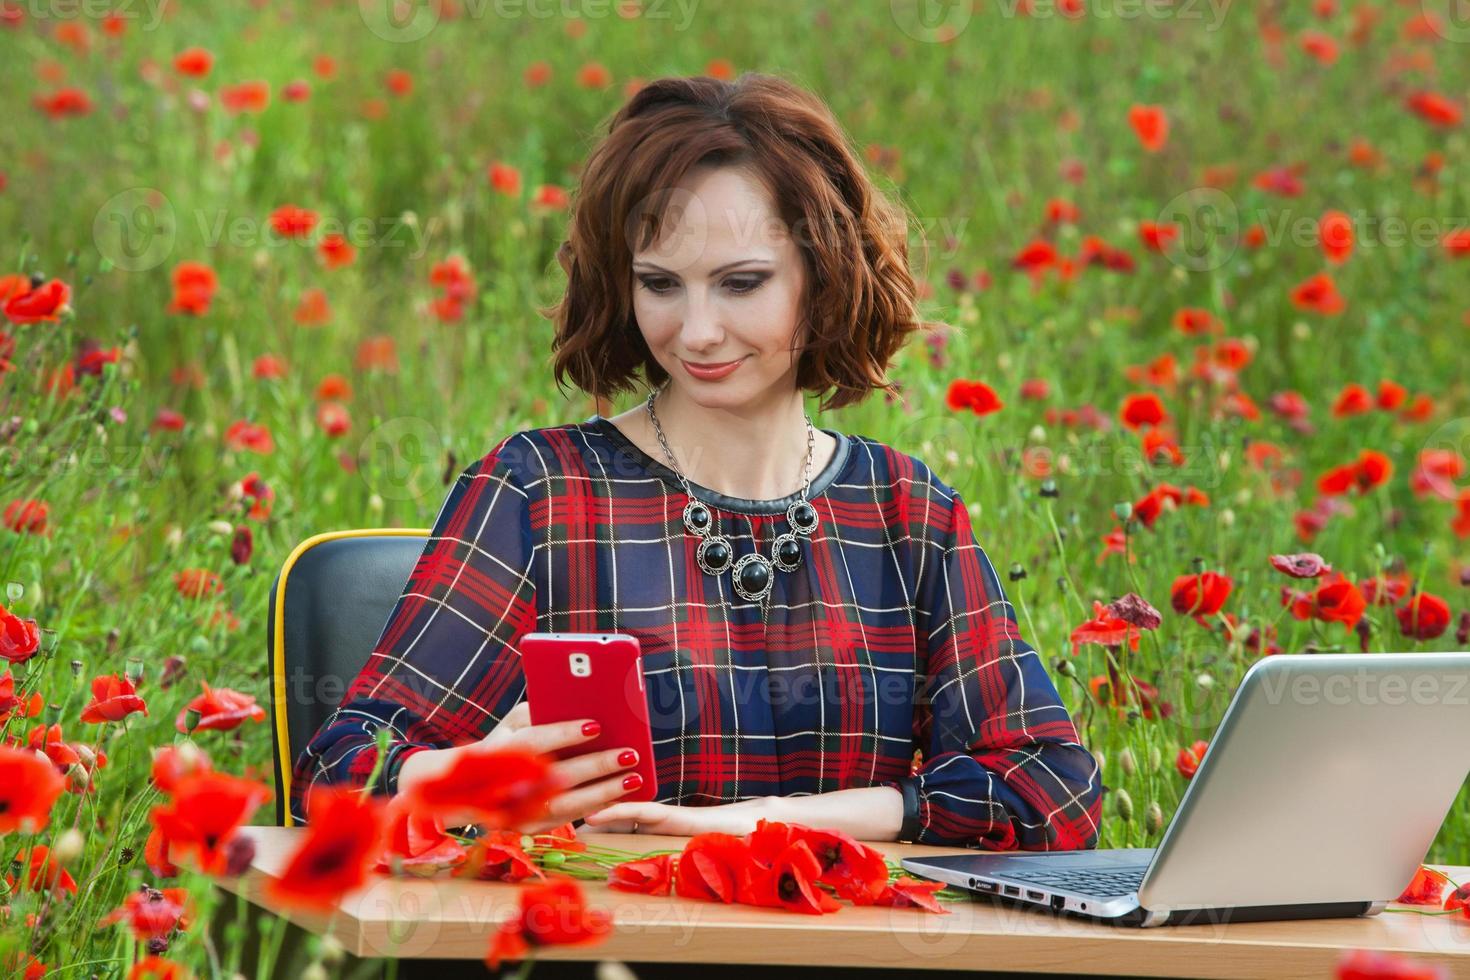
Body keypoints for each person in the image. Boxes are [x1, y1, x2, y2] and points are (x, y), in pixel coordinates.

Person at [290, 72, 1102, 852]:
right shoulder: (540, 493)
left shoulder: (906, 513)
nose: (698, 331)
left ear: (825, 280)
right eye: (660, 284)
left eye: (741, 283)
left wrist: (777, 822)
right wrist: (459, 781)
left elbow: (1050, 789)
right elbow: (337, 775)